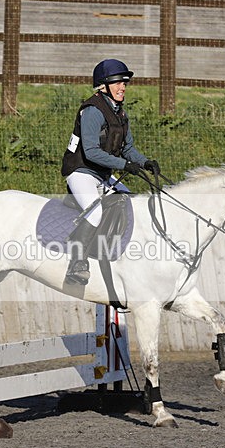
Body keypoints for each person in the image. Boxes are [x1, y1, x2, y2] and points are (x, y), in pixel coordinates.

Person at [60, 58, 159, 285]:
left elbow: (128, 149)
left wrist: (145, 162)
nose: (123, 87)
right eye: (117, 83)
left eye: (124, 83)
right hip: (81, 171)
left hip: (102, 174)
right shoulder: (92, 111)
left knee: (131, 203)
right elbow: (92, 152)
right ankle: (76, 264)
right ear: (103, 86)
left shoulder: (120, 113)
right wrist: (124, 165)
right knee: (95, 213)